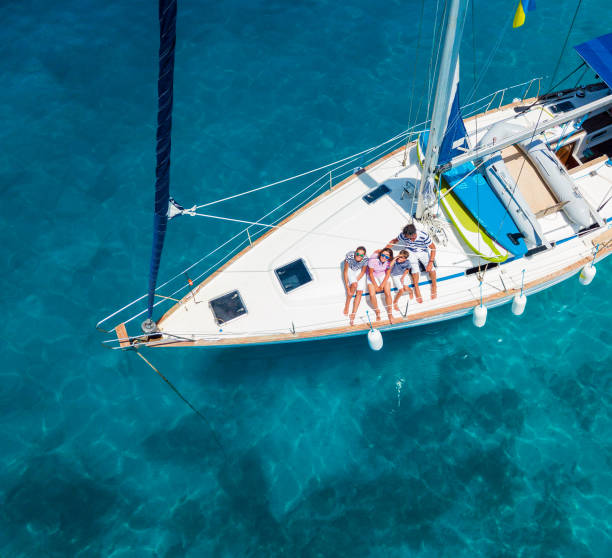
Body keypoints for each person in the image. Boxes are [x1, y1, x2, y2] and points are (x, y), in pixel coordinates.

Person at [388, 223, 437, 303]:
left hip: (422, 251)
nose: (407, 238)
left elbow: (433, 248)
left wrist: (430, 262)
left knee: (431, 268)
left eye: (408, 237)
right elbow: (394, 241)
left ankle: (434, 285)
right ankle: (416, 287)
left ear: (414, 234)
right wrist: (385, 249)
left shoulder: (423, 235)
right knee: (414, 269)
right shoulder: (404, 235)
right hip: (410, 251)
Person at [367, 247, 394, 323]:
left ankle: (390, 313)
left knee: (388, 293)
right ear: (380, 254)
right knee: (372, 295)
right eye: (383, 255)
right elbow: (371, 274)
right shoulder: (373, 261)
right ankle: (377, 311)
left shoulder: (389, 262)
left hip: (382, 274)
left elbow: (388, 274)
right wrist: (376, 286)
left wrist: (382, 285)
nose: (384, 257)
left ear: (389, 257)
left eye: (387, 256)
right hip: (373, 276)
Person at [343, 246, 368, 326]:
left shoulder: (365, 259)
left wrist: (356, 280)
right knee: (353, 286)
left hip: (359, 271)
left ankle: (353, 313)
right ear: (355, 252)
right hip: (350, 269)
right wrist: (347, 287)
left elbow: (363, 272)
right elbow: (345, 271)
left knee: (360, 292)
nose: (358, 256)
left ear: (363, 256)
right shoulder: (350, 256)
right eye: (357, 253)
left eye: (361, 255)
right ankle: (347, 305)